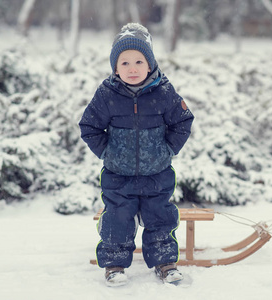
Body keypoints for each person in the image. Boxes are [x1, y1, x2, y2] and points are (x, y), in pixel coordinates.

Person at [79, 23, 194, 287]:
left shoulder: (164, 91)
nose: (132, 68)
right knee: (117, 218)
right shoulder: (107, 94)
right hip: (118, 175)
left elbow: (183, 121)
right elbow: (89, 126)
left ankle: (165, 262)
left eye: (139, 61)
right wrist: (107, 151)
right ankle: (114, 265)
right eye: (125, 62)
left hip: (157, 173)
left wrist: (168, 149)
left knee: (160, 216)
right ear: (115, 67)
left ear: (150, 64)